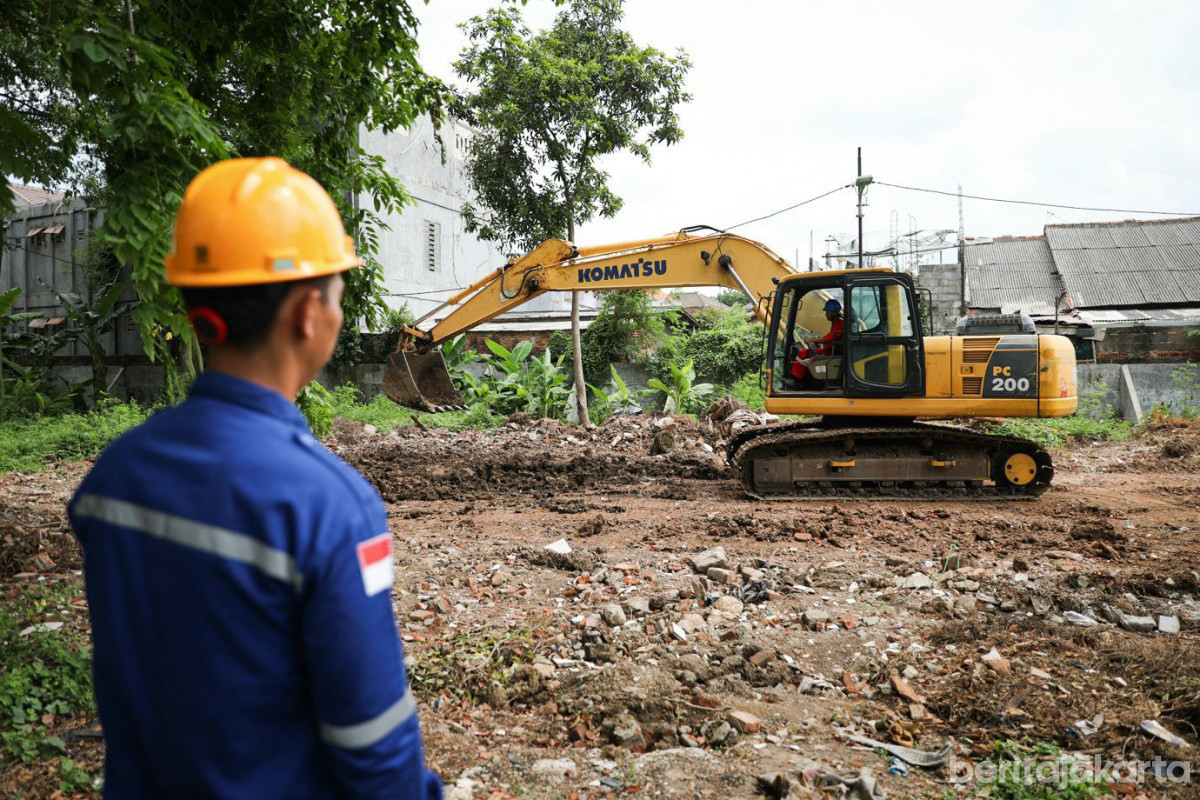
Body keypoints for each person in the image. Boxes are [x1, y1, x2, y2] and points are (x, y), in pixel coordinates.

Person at [67, 158, 443, 799]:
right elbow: (372, 742)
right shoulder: (331, 508)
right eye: (339, 295)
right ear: (306, 313)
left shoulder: (114, 477)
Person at [790, 298, 845, 385]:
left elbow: (828, 339)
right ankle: (799, 378)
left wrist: (812, 340)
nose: (826, 314)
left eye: (827, 312)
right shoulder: (837, 322)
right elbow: (830, 337)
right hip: (830, 351)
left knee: (804, 353)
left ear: (834, 313)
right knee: (805, 353)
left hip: (830, 353)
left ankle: (797, 380)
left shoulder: (839, 324)